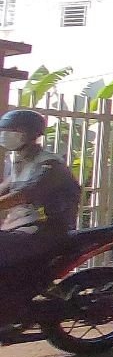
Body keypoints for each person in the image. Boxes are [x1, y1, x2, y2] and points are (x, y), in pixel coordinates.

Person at [0, 109, 82, 272]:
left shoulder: (49, 164)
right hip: (21, 227)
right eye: (4, 131)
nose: (5, 135)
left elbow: (23, 195)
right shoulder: (21, 162)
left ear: (31, 134)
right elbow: (5, 189)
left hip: (46, 230)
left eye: (13, 131)